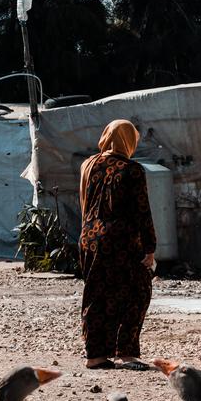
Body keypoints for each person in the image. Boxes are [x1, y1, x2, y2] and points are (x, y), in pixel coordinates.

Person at [78, 119, 156, 370]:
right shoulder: (132, 170)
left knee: (96, 294)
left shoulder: (88, 165)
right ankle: (126, 351)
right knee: (138, 292)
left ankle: (95, 355)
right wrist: (150, 248)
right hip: (120, 240)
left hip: (89, 237)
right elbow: (142, 212)